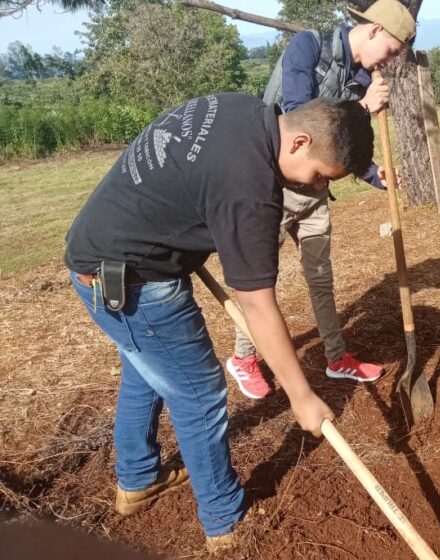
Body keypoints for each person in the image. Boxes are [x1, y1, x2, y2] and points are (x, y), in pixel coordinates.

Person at [64, 93, 374, 551]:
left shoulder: (240, 110)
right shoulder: (248, 189)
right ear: (300, 142)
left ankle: (138, 480)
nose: (312, 190)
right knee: (200, 391)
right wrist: (302, 396)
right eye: (317, 177)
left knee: (145, 368)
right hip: (132, 283)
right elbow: (257, 305)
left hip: (97, 256)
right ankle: (226, 521)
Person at [226, 0, 417, 399]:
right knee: (260, 283)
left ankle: (335, 357)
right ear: (375, 31)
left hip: (313, 193)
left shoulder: (364, 76)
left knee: (321, 280)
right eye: (394, 51)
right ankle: (244, 357)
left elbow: (344, 148)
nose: (392, 61)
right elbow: (298, 117)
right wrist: (363, 108)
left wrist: (372, 173)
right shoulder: (309, 47)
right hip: (273, 189)